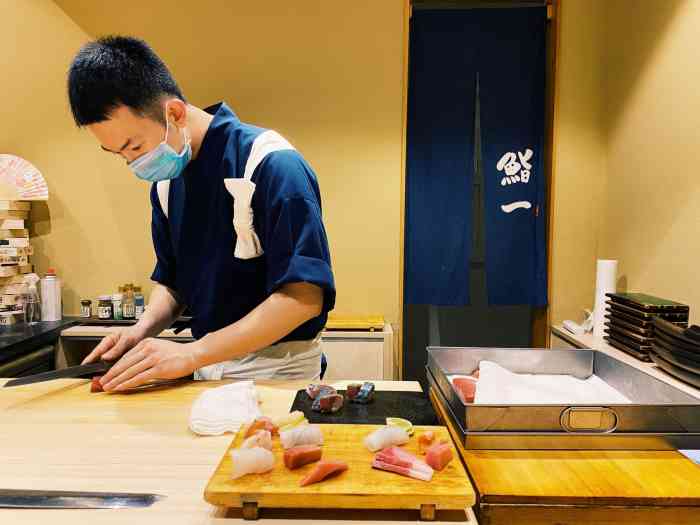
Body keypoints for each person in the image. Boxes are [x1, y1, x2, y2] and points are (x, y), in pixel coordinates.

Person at [68, 36, 335, 391]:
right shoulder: (165, 185)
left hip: (279, 374)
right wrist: (141, 331)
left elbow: (303, 298)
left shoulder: (271, 163)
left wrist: (193, 354)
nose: (133, 163)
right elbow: (174, 284)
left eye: (134, 146)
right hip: (206, 371)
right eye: (118, 154)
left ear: (174, 113)